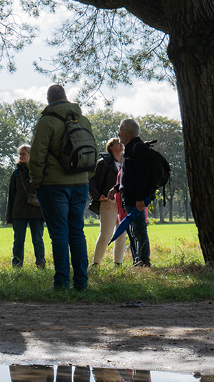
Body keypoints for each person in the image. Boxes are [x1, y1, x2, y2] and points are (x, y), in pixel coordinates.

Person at [28, 84, 94, 291]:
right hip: (81, 182)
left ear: (48, 101)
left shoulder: (47, 121)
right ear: (66, 97)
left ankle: (61, 283)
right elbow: (92, 151)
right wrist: (87, 177)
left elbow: (36, 156)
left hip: (54, 184)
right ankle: (81, 283)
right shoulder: (82, 119)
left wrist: (37, 182)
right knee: (77, 232)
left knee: (59, 234)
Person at [114, 117, 152, 267]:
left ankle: (144, 260)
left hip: (136, 199)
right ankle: (138, 259)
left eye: (121, 130)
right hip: (128, 197)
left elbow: (143, 176)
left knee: (139, 229)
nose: (119, 133)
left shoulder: (138, 148)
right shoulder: (129, 148)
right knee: (134, 230)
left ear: (128, 132)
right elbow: (127, 176)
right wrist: (115, 189)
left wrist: (139, 199)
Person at [5, 144, 46, 269]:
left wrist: (46, 213)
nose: (21, 156)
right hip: (19, 212)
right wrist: (9, 217)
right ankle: (17, 265)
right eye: (20, 154)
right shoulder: (16, 173)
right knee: (18, 241)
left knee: (38, 239)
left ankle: (41, 263)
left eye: (24, 154)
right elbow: (11, 195)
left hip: (36, 212)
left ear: (30, 155)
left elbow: (45, 193)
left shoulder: (39, 171)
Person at [89, 137, 126, 266]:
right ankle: (96, 263)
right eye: (117, 142)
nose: (121, 143)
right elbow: (92, 180)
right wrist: (97, 195)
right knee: (105, 235)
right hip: (107, 203)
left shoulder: (127, 162)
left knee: (121, 235)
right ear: (111, 147)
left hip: (123, 204)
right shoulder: (103, 163)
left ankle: (118, 263)